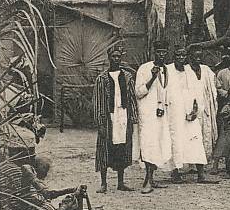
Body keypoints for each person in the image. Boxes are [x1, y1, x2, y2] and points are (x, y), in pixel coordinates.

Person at [92, 40, 138, 193]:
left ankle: (121, 182)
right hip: (109, 117)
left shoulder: (127, 77)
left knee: (122, 148)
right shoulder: (102, 79)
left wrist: (133, 117)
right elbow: (98, 101)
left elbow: (131, 98)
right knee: (105, 147)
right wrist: (100, 122)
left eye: (118, 56)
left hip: (123, 116)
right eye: (113, 56)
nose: (116, 59)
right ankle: (104, 183)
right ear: (109, 58)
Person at [167, 47, 216, 184]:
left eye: (183, 55)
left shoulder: (189, 71)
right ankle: (175, 173)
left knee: (195, 140)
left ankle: (201, 174)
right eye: (178, 55)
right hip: (174, 112)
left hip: (190, 112)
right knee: (176, 141)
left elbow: (196, 93)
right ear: (174, 56)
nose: (181, 58)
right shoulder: (168, 70)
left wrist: (195, 110)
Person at [0, 154, 79, 210]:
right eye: (45, 172)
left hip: (24, 209)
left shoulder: (26, 176)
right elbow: (45, 195)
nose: (45, 177)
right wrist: (63, 207)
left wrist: (70, 190)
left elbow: (49, 194)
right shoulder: (28, 178)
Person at [135, 39, 172, 194]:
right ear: (154, 52)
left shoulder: (167, 70)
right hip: (148, 114)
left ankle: (151, 179)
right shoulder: (145, 69)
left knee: (159, 145)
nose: (161, 55)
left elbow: (167, 91)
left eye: (164, 52)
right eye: (159, 52)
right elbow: (139, 92)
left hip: (161, 114)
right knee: (148, 145)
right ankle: (147, 180)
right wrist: (152, 77)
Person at [187, 46, 218, 161]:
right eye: (195, 56)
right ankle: (189, 162)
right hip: (190, 108)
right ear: (190, 57)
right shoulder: (185, 70)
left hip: (205, 107)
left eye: (200, 56)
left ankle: (202, 161)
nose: (198, 59)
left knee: (205, 134)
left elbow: (213, 86)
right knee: (191, 135)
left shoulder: (206, 70)